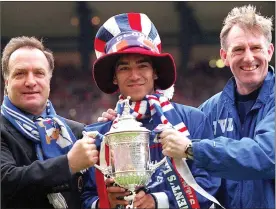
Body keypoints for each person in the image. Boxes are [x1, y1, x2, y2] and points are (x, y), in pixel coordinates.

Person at [81, 13, 220, 209]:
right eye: (124, 68)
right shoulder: (100, 135)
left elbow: (210, 184)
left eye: (143, 65)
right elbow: (86, 198)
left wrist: (158, 202)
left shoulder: (193, 120)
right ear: (114, 78)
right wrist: (107, 202)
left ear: (155, 72)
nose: (134, 75)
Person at [158, 5, 275, 209]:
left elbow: (266, 156)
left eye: (256, 47)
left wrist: (192, 148)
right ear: (224, 56)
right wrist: (127, 115)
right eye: (238, 49)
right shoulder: (210, 110)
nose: (248, 57)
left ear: (270, 51)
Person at [1, 36, 99, 209]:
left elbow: (91, 193)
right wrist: (68, 164)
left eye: (39, 73)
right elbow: (6, 181)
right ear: (7, 83)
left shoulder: (77, 132)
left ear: (49, 80)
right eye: (20, 73)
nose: (31, 82)